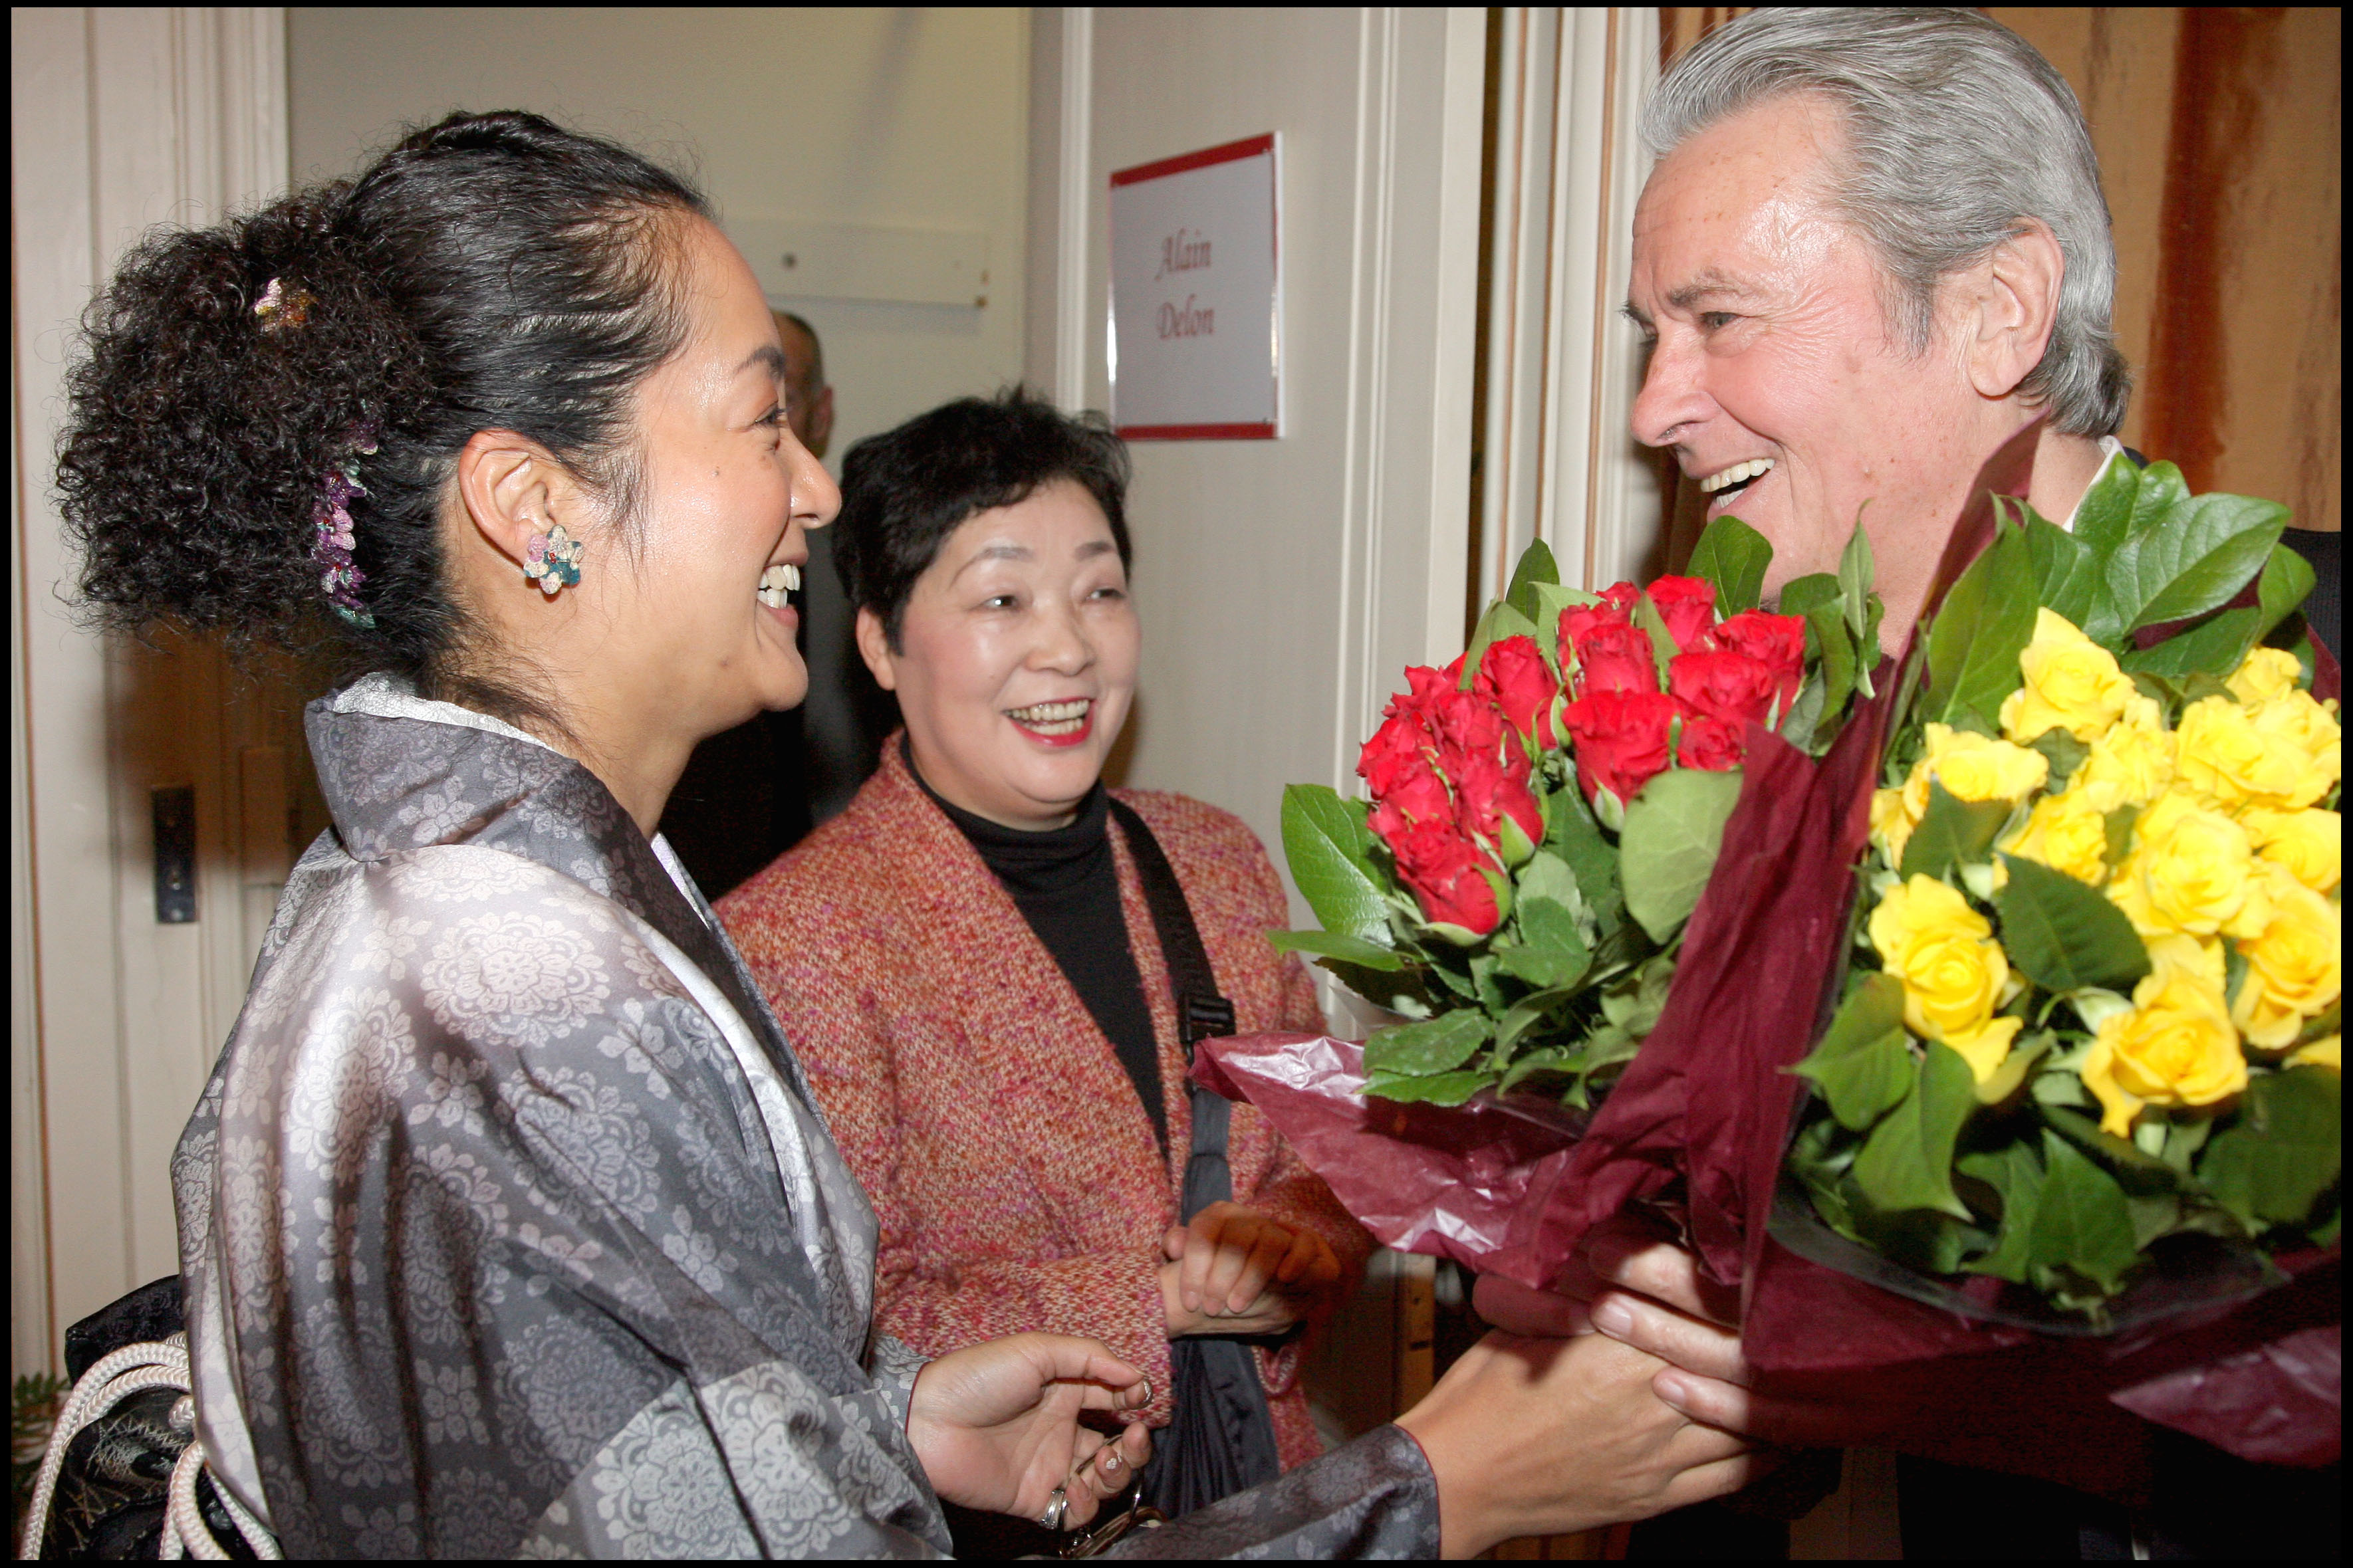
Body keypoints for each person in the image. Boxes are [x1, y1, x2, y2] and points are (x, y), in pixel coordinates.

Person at [55, 108, 1759, 1557]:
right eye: (757, 419)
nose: (811, 488)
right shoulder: (519, 1006)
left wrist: (886, 1421)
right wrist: (1436, 1487)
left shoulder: (464, 896)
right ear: (535, 507)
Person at [1488, 8, 2338, 1556]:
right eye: (1649, 334)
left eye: (1721, 318)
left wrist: (2018, 1409)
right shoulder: (1756, 745)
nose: (1653, 408)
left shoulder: (2317, 681)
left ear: (2000, 308)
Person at [715, 391, 1374, 1523]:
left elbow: (1328, 1154)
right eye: (1003, 598)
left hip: (1261, 1493)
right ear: (879, 641)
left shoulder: (1212, 860)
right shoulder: (797, 944)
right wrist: (1159, 1299)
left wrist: (1293, 1245)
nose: (1066, 646)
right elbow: (827, 1336)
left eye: (1100, 590)